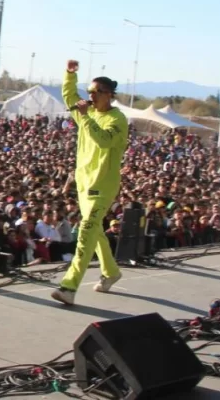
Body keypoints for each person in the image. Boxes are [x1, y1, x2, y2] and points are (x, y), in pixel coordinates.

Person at [51, 59, 128, 306]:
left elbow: (104, 141)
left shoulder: (118, 120)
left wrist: (84, 117)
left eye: (97, 92)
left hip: (102, 186)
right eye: (90, 91)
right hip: (84, 183)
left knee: (85, 231)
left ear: (110, 95)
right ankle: (111, 272)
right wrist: (70, 75)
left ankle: (69, 286)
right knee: (94, 231)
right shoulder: (87, 112)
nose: (91, 96)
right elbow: (69, 95)